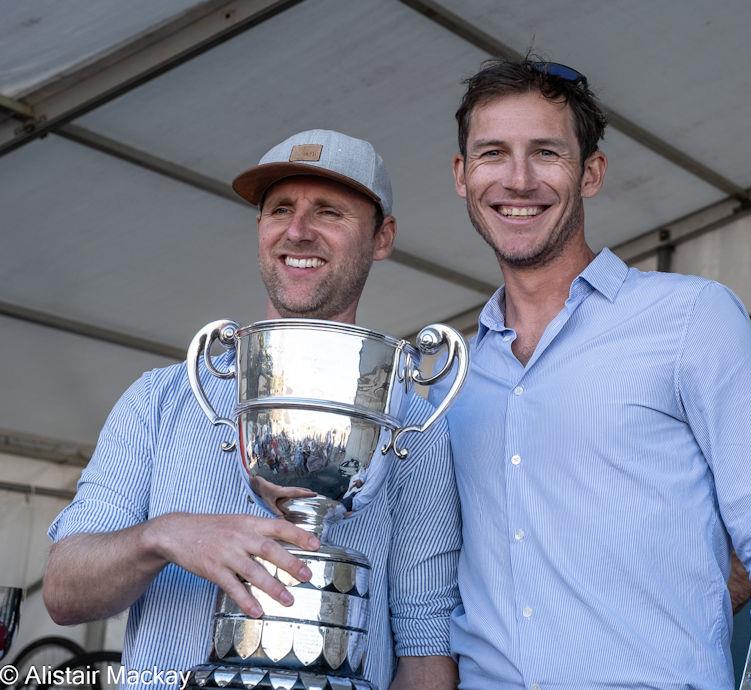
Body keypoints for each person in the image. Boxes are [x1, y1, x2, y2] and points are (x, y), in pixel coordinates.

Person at [43, 130, 460, 690]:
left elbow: (425, 652)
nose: (297, 231)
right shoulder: (159, 400)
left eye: (329, 211)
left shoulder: (412, 424)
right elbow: (64, 592)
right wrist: (163, 537)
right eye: (280, 209)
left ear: (382, 237)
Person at [435, 57, 751, 688]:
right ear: (463, 176)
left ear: (592, 172)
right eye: (493, 153)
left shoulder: (694, 317)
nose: (518, 180)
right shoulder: (450, 380)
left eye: (546, 152)